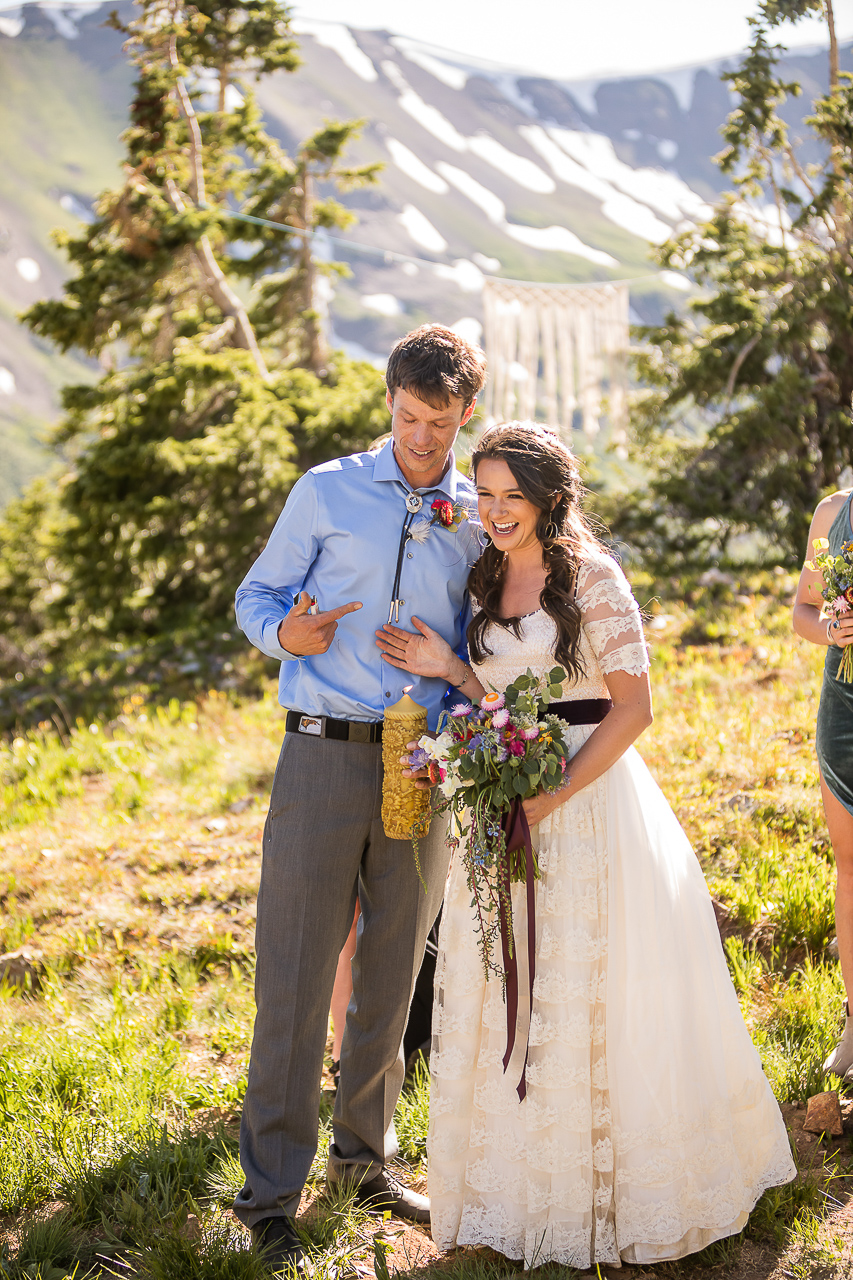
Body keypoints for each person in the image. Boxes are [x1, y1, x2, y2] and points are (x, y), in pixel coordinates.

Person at [377, 422, 796, 1269]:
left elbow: (633, 709)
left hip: (591, 801)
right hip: (503, 800)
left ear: (548, 499)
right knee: (511, 982)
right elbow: (497, 692)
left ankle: (614, 1189)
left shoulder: (593, 580)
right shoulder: (484, 575)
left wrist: (555, 795)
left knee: (595, 983)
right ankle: (522, 1188)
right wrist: (450, 673)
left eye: (511, 497)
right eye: (485, 494)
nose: (494, 511)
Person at [233, 325, 486, 1274]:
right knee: (294, 979)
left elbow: (487, 637)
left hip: (420, 758)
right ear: (389, 403)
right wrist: (287, 636)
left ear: (466, 415)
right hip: (321, 755)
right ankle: (268, 1195)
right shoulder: (325, 490)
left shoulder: (477, 511)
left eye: (441, 421)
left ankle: (363, 1160)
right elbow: (255, 601)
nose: (422, 437)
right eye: (409, 417)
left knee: (390, 973)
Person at [793, 486, 853, 1081]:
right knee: (850, 865)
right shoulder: (836, 514)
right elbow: (803, 613)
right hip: (846, 713)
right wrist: (832, 628)